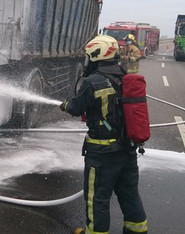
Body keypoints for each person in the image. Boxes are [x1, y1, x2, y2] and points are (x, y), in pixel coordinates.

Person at [60, 35, 148, 234]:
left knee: (97, 198)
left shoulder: (93, 82)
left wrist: (65, 104)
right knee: (129, 195)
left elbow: (75, 107)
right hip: (127, 149)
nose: (87, 60)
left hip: (102, 153)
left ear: (96, 56)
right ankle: (137, 231)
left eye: (89, 57)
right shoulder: (124, 76)